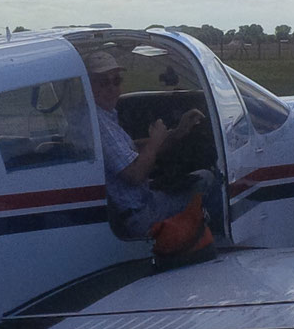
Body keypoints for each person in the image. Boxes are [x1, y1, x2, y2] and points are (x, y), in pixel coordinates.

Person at [85, 49, 207, 240]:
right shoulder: (98, 123)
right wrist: (156, 140)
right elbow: (135, 174)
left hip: (140, 204)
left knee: (197, 180)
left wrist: (176, 134)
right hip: (140, 215)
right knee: (208, 181)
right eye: (103, 83)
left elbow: (128, 151)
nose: (112, 88)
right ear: (88, 86)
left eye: (116, 81)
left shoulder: (101, 116)